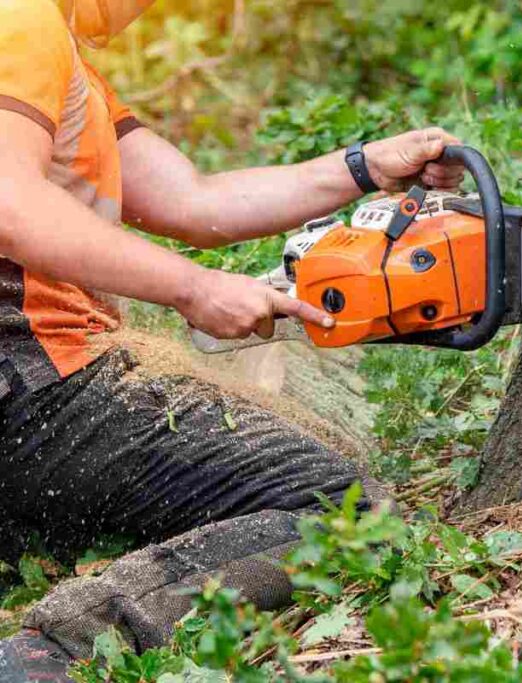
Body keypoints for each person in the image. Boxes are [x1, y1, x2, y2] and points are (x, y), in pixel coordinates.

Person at [0, 0, 466, 679]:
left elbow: (195, 201)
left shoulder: (62, 64)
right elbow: (10, 205)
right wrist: (194, 289)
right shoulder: (24, 21)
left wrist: (363, 167)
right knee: (343, 508)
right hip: (33, 382)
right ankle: (55, 649)